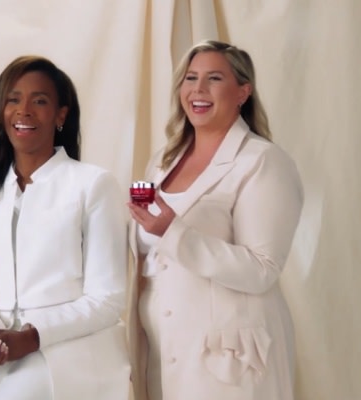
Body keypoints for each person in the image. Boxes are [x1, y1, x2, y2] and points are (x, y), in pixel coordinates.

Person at [0, 56, 131, 400]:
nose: (24, 110)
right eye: (13, 99)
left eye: (40, 101)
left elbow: (107, 299)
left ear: (61, 114)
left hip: (67, 344)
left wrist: (30, 337)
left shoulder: (93, 185)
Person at [126, 40, 304, 400]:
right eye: (190, 78)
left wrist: (174, 233)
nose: (198, 90)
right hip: (162, 351)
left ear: (243, 91)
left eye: (214, 78)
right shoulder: (163, 161)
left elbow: (262, 268)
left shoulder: (262, 161)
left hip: (227, 358)